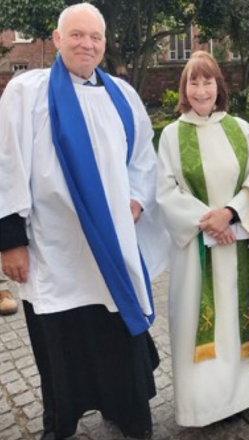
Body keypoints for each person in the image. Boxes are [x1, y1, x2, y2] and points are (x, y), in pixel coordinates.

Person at [0, 3, 170, 440]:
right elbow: (6, 164)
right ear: (57, 39)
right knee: (62, 342)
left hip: (111, 248)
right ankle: (62, 420)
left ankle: (128, 413)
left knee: (116, 334)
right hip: (54, 249)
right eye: (76, 35)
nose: (87, 44)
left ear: (104, 43)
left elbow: (143, 157)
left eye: (95, 37)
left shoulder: (122, 95)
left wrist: (136, 198)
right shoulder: (25, 92)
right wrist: (9, 239)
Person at [156, 51, 249, 427]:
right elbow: (164, 192)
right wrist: (208, 221)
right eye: (194, 82)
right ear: (184, 89)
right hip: (196, 252)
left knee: (236, 317)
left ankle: (240, 395)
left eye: (208, 81)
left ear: (220, 86)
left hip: (237, 244)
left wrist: (230, 213)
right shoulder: (172, 135)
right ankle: (202, 406)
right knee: (194, 321)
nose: (201, 90)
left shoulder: (240, 129)